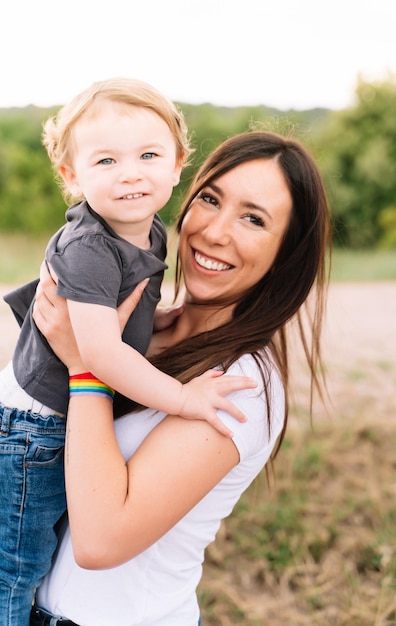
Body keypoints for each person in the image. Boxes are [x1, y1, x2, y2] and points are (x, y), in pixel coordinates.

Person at [30, 129, 331, 626]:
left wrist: (86, 368)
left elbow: (102, 540)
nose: (214, 231)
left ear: (287, 254)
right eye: (210, 199)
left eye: (253, 219)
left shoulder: (240, 383)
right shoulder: (134, 330)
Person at [0, 78, 253, 625]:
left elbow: (127, 308)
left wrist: (157, 323)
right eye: (106, 160)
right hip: (32, 425)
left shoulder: (149, 228)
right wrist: (183, 399)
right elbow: (98, 356)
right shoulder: (90, 246)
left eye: (148, 155)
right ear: (72, 176)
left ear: (178, 162)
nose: (131, 172)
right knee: (15, 568)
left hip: (53, 414)